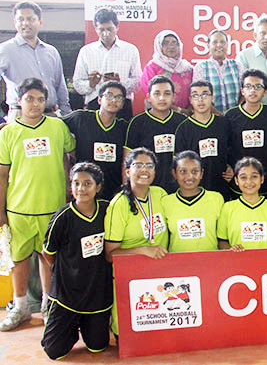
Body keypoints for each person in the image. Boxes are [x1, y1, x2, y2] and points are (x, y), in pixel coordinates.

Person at [0, 78, 75, 331]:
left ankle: (47, 304)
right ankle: (20, 307)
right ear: (19, 101)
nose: (35, 104)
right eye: (30, 99)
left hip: (53, 207)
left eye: (40, 99)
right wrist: (1, 210)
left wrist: (67, 190)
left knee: (48, 257)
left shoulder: (57, 127)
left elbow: (69, 158)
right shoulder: (8, 132)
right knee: (19, 260)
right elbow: (2, 175)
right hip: (19, 208)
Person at [41, 163, 112, 359]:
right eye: (76, 183)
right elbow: (48, 254)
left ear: (98, 187)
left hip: (98, 294)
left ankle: (88, 325)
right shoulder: (62, 217)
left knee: (98, 347)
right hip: (67, 295)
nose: (81, 189)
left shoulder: (108, 210)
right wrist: (67, 273)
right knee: (54, 352)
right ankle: (69, 328)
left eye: (87, 183)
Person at [104, 148, 169, 338]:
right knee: (130, 337)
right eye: (138, 165)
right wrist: (142, 250)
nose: (144, 170)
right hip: (130, 281)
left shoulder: (160, 194)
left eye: (149, 166)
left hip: (159, 276)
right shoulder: (119, 204)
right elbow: (110, 254)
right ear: (127, 171)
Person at [0, 1, 71, 118]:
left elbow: (60, 87)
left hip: (50, 115)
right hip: (20, 115)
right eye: (20, 19)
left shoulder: (51, 51)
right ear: (15, 22)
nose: (25, 23)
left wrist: (67, 115)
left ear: (40, 22)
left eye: (30, 19)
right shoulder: (5, 50)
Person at [62, 81, 128, 200]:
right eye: (109, 95)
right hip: (83, 189)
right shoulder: (80, 118)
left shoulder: (124, 128)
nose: (113, 100)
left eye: (118, 97)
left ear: (123, 103)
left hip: (112, 189)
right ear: (99, 99)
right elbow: (56, 126)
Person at [73, 8, 140, 121]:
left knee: (124, 137)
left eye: (110, 29)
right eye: (101, 29)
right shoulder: (86, 51)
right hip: (95, 104)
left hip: (122, 105)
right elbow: (77, 84)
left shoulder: (130, 50)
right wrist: (91, 84)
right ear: (95, 29)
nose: (106, 33)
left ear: (117, 27)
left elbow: (138, 82)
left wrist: (120, 83)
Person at [125, 75, 186, 193]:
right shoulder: (137, 122)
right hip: (145, 188)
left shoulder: (182, 121)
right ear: (148, 97)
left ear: (173, 97)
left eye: (167, 93)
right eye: (157, 93)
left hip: (177, 189)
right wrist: (128, 189)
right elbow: (127, 159)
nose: (162, 98)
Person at [224, 69, 267, 197]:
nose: (253, 90)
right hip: (238, 182)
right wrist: (227, 166)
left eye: (258, 87)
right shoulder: (230, 116)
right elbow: (224, 147)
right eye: (248, 86)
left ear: (265, 91)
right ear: (242, 90)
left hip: (265, 182)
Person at [174, 81, 232, 196]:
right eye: (195, 95)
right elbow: (179, 162)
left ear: (212, 98)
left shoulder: (224, 123)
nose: (200, 100)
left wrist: (231, 167)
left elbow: (231, 150)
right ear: (190, 99)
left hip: (222, 187)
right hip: (194, 189)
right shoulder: (183, 128)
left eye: (205, 95)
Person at [162, 151, 224, 252]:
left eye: (195, 171)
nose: (189, 176)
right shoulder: (165, 202)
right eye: (183, 171)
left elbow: (223, 238)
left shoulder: (216, 199)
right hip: (176, 263)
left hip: (211, 262)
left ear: (201, 173)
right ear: (174, 174)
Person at [218, 157, 267, 251]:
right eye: (243, 177)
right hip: (237, 264)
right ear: (236, 181)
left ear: (262, 179)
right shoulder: (227, 208)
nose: (249, 181)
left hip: (266, 264)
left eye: (254, 176)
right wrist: (230, 249)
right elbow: (222, 241)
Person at [139, 30, 194, 111]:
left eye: (174, 43)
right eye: (166, 43)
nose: (171, 46)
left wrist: (189, 110)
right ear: (159, 46)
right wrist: (178, 110)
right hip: (159, 114)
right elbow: (150, 94)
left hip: (186, 115)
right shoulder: (152, 67)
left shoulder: (188, 68)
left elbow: (195, 91)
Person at [193, 29, 242, 113]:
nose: (219, 45)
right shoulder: (201, 67)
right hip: (211, 119)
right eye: (214, 42)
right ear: (208, 46)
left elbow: (244, 92)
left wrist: (236, 113)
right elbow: (198, 97)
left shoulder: (237, 65)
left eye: (222, 42)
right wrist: (219, 115)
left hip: (235, 119)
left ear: (227, 45)